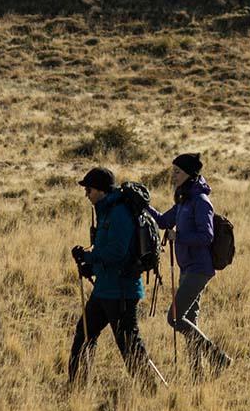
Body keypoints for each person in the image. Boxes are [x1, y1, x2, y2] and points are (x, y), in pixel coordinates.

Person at [69, 166, 155, 387]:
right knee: (84, 334)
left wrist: (89, 257)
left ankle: (150, 391)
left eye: (88, 189)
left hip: (122, 290)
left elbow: (117, 252)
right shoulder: (106, 210)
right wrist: (90, 265)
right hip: (106, 288)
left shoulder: (119, 213)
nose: (86, 194)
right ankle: (76, 389)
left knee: (128, 345)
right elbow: (107, 250)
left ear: (101, 190)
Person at [150, 152, 232, 378]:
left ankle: (217, 357)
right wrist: (143, 205)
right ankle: (197, 373)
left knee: (174, 318)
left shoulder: (200, 201)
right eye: (173, 171)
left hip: (199, 269)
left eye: (177, 172)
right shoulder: (184, 200)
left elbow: (206, 237)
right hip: (187, 268)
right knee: (190, 319)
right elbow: (163, 221)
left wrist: (178, 237)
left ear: (189, 174)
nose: (173, 175)